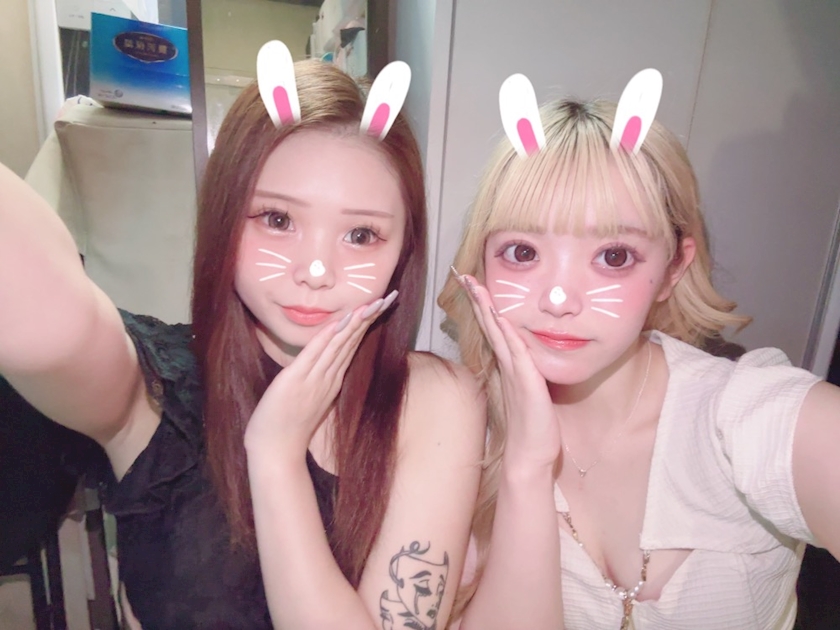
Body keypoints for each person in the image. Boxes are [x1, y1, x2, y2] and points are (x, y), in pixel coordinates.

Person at [0, 53, 484, 629]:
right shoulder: (155, 393)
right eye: (277, 219)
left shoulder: (434, 402)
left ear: (404, 250)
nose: (316, 270)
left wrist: (277, 455)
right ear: (226, 215)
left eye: (361, 234)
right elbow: (52, 321)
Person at [438, 71, 840, 629]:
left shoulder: (754, 418)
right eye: (522, 252)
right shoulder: (455, 437)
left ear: (673, 269)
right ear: (481, 263)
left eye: (614, 256)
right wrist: (525, 469)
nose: (559, 299)